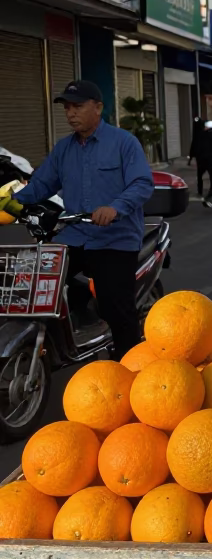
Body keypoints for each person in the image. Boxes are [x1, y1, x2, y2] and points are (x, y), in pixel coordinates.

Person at [1, 79, 154, 358]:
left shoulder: (123, 143)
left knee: (117, 309)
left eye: (78, 107)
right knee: (32, 283)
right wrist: (10, 202)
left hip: (115, 238)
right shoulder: (63, 149)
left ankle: (129, 366)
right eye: (67, 108)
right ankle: (66, 327)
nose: (71, 113)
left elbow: (142, 183)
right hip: (74, 234)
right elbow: (40, 186)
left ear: (98, 107)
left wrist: (115, 208)